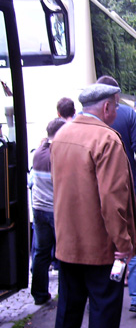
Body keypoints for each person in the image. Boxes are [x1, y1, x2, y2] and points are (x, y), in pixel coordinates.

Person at [51, 83, 136, 328]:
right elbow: (113, 199)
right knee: (105, 304)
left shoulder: (61, 134)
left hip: (68, 239)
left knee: (69, 302)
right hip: (100, 244)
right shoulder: (107, 139)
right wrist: (124, 244)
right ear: (106, 107)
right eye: (116, 106)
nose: (116, 112)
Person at [96, 75, 136, 315]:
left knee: (101, 238)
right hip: (124, 187)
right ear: (114, 96)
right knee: (134, 237)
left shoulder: (85, 118)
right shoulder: (129, 115)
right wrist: (135, 167)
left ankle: (99, 295)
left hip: (94, 190)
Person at [30, 118, 66, 305]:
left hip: (39, 209)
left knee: (41, 252)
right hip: (56, 210)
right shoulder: (58, 154)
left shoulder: (38, 153)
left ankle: (39, 294)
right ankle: (66, 294)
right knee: (64, 253)